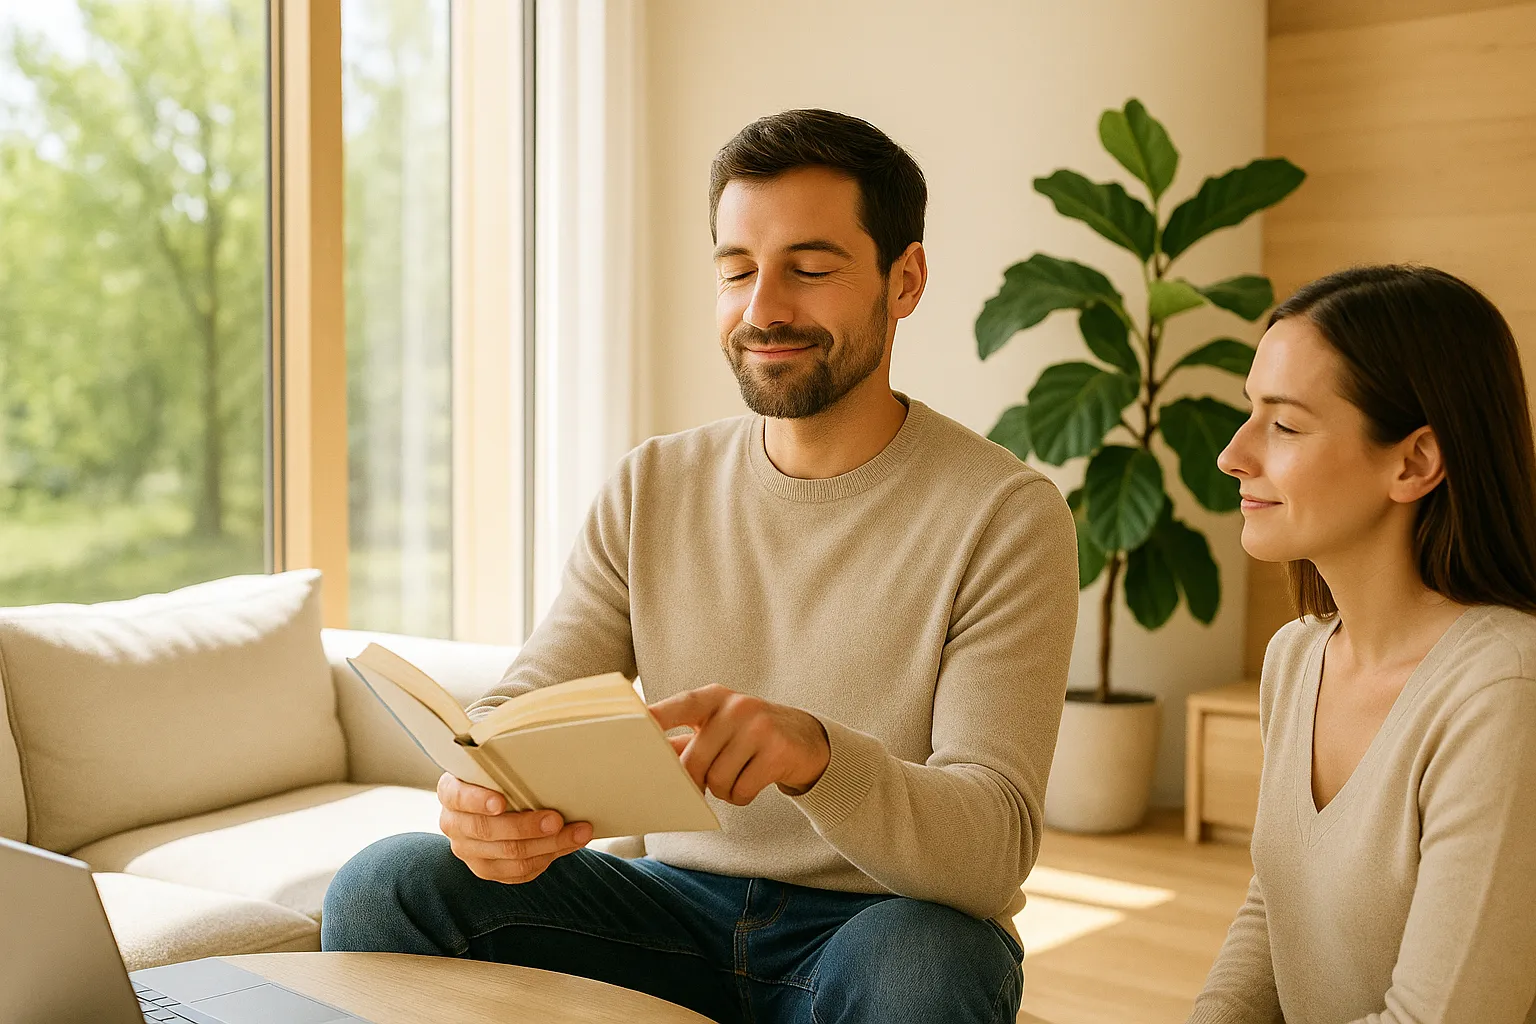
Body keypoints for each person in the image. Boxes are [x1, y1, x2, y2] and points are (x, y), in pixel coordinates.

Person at [322, 108, 1078, 1024]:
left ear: (904, 279)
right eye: (736, 271)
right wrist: (478, 798)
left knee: (929, 969)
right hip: (668, 909)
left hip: (882, 920)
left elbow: (993, 845)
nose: (763, 309)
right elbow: (509, 715)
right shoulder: (653, 483)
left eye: (809, 269)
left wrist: (820, 759)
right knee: (388, 884)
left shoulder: (1004, 514)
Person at [1190, 265, 1536, 1023]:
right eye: (1251, 411)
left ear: (1414, 461)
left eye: (1284, 424)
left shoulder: (1505, 692)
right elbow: (1275, 908)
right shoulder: (1296, 658)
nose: (1233, 454)